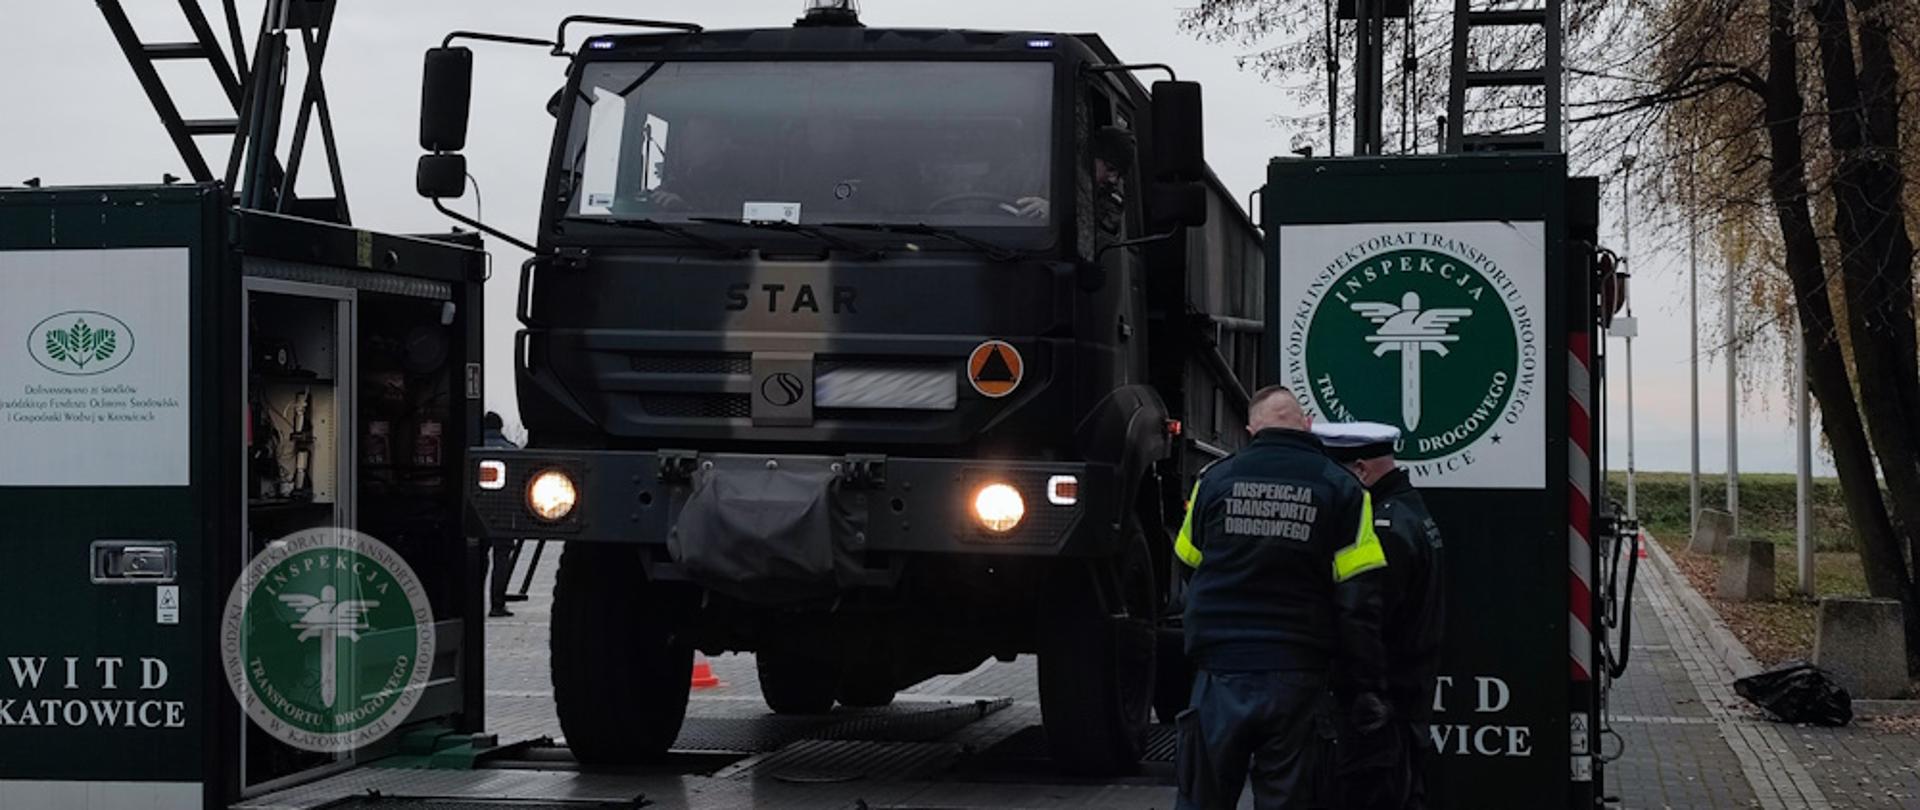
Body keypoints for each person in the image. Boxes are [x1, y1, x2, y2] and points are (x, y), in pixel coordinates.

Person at [1173, 386, 1392, 810]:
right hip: (1297, 676)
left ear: (1252, 429)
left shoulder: (1214, 481)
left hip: (1221, 673)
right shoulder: (1343, 489)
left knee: (1203, 797)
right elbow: (1360, 604)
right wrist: (1367, 686)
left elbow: (1187, 563)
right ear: (1306, 424)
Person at [1314, 421, 1447, 810]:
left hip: (1381, 705)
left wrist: (1361, 689)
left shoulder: (1382, 526)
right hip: (1403, 699)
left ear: (1359, 470)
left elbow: (1367, 620)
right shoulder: (1408, 510)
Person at [482, 412, 519, 618]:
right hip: (504, 514)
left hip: (476, 512)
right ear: (501, 427)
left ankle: (471, 604)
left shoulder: (472, 449)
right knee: (502, 558)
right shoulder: (512, 451)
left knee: (476, 558)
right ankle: (497, 604)